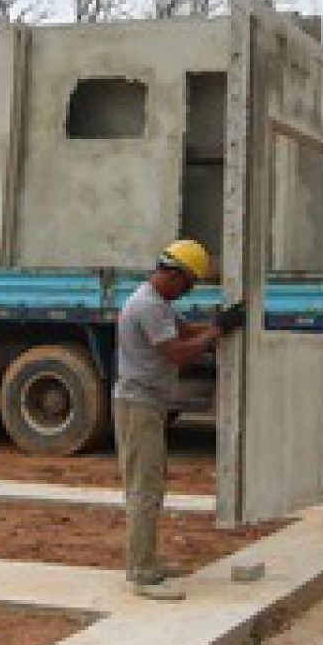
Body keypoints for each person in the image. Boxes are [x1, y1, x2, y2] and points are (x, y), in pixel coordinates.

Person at [113, 238, 245, 600]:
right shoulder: (149, 307)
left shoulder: (155, 301)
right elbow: (178, 353)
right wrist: (218, 331)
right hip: (139, 405)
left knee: (150, 484)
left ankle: (148, 561)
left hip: (146, 404)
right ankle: (141, 570)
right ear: (173, 274)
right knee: (145, 488)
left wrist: (215, 323)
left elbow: (185, 332)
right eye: (186, 286)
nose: (185, 294)